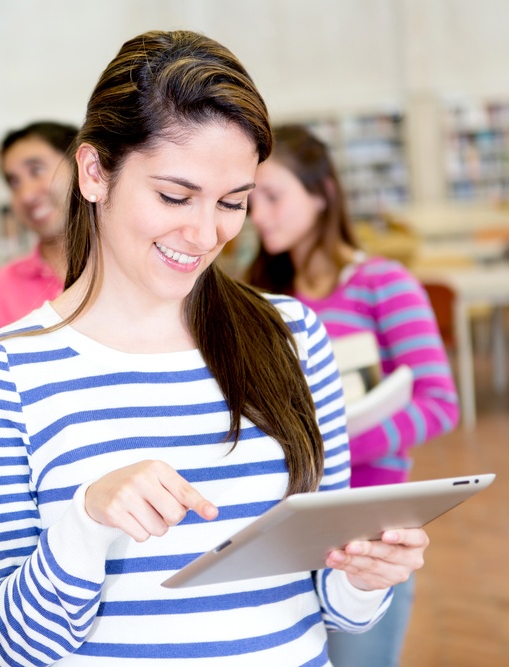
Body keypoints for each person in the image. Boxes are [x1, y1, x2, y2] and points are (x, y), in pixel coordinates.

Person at [0, 30, 431, 666]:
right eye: (175, 196)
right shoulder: (2, 371)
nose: (205, 234)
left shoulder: (293, 337)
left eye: (234, 203)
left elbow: (328, 600)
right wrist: (86, 525)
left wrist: (367, 575)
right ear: (95, 173)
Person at [246, 124, 459, 667]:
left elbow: (438, 402)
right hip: (285, 522)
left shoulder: (382, 283)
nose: (259, 215)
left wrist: (332, 448)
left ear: (322, 193)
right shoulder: (262, 300)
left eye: (273, 196)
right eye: (248, 201)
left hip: (367, 524)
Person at [0, 121, 77, 364]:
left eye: (36, 171)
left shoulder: (132, 274)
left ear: (83, 165)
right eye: (14, 183)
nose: (26, 195)